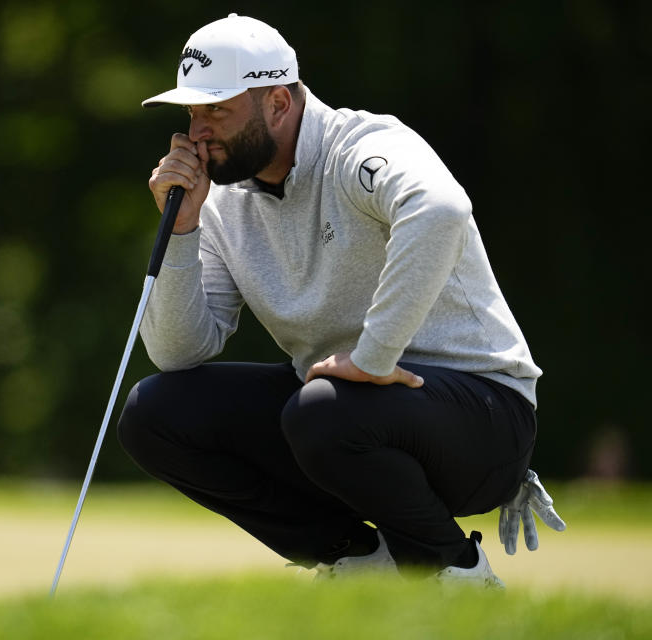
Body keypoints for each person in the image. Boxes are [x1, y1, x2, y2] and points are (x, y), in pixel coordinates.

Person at [117, 13, 565, 586]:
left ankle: (456, 576)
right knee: (155, 413)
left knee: (322, 410)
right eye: (192, 112)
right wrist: (181, 230)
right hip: (346, 417)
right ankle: (357, 559)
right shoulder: (222, 202)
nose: (196, 131)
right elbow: (178, 353)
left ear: (278, 102)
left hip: (483, 417)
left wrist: (373, 357)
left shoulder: (361, 146)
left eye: (217, 111)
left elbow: (441, 211)